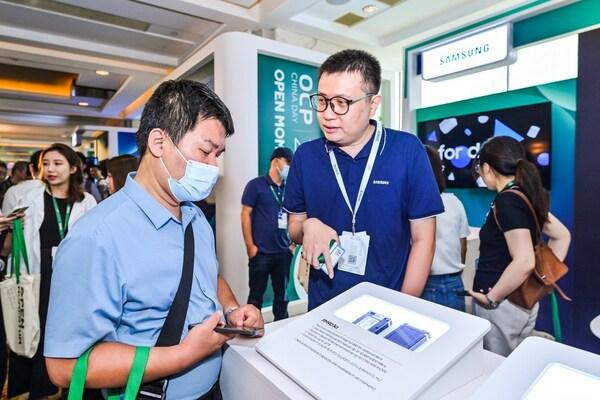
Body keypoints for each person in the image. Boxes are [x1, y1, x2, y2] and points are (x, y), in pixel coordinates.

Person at [45, 80, 263, 399]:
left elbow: (207, 276)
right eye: (205, 151)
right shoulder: (96, 237)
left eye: (218, 154)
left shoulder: (195, 217)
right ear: (159, 142)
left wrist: (231, 310)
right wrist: (184, 355)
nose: (213, 167)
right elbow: (64, 365)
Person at [284, 49, 444, 310]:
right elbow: (294, 225)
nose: (327, 113)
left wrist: (403, 307)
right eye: (322, 100)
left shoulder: (406, 150)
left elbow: (423, 239)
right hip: (324, 306)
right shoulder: (306, 156)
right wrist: (308, 226)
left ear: (372, 104)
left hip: (388, 303)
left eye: (342, 102)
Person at [7, 143, 97, 399]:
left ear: (73, 168)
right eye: (46, 164)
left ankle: (61, 386)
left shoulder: (87, 201)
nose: (50, 169)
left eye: (57, 164)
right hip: (39, 274)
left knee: (65, 333)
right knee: (33, 330)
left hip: (72, 277)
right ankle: (31, 389)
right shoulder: (29, 198)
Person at [468, 136, 570, 356]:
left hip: (503, 305)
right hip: (520, 302)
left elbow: (524, 261)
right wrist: (539, 281)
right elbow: (562, 236)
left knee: (499, 366)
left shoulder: (508, 200)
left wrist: (492, 299)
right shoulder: (526, 196)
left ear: (487, 168)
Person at [241, 147, 294, 320]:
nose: (289, 168)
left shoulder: (289, 188)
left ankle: (282, 329)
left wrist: (292, 244)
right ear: (276, 161)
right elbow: (245, 214)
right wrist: (250, 246)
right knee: (255, 298)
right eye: (287, 163)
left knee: (282, 298)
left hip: (283, 252)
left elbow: (295, 215)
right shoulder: (255, 185)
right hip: (261, 253)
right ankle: (250, 329)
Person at [422, 145, 470, 311]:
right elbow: (463, 245)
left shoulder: (414, 204)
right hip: (455, 283)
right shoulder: (454, 201)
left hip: (426, 283)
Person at [1, 150, 44, 216]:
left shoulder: (14, 191)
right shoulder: (55, 190)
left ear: (31, 168)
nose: (2, 176)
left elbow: (6, 218)